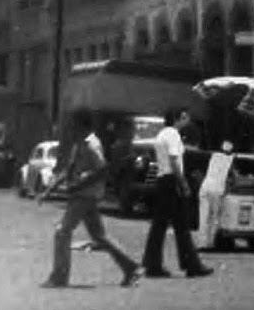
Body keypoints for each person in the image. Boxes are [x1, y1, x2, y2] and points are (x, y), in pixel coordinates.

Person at [39, 108, 141, 289]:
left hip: (85, 195)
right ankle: (131, 267)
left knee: (62, 231)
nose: (69, 127)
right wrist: (50, 189)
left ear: (80, 124)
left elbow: (102, 170)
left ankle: (59, 277)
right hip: (82, 195)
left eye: (72, 124)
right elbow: (69, 169)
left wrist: (81, 184)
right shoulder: (80, 143)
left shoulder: (92, 145)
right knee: (100, 236)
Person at [140, 107, 213, 279]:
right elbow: (174, 160)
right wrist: (183, 182)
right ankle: (190, 264)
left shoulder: (161, 135)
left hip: (163, 180)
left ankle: (153, 263)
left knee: (161, 224)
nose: (187, 121)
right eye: (185, 117)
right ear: (178, 118)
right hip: (172, 180)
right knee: (180, 224)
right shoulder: (173, 135)